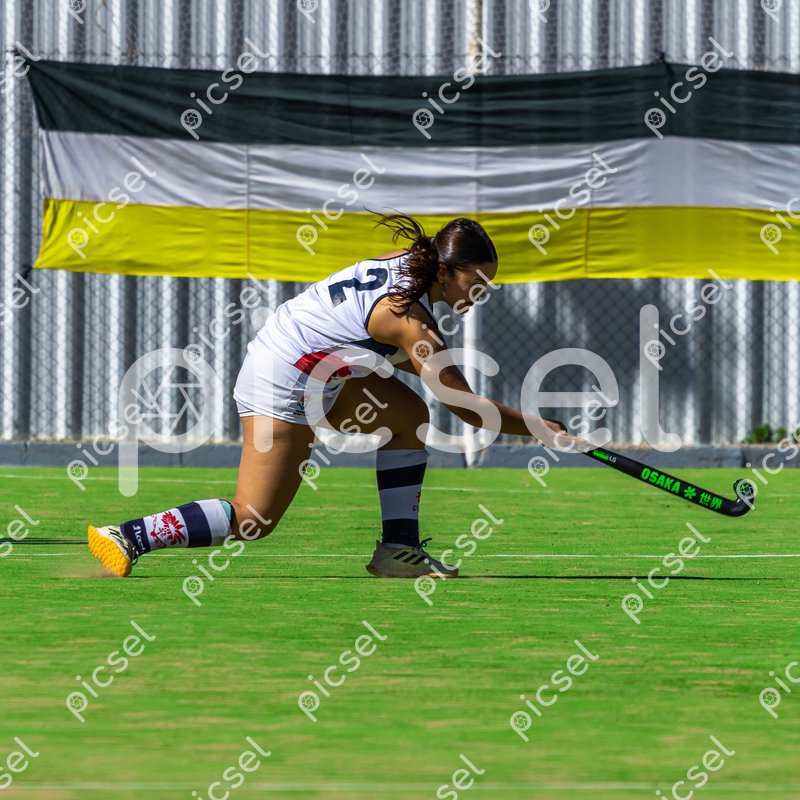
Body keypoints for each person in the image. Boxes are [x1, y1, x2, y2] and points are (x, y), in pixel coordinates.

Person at [87, 214, 566, 578]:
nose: (481, 293)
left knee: (408, 415)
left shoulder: (406, 268)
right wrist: (540, 429)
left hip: (316, 369)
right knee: (254, 518)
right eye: (476, 282)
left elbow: (379, 347)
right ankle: (128, 536)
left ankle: (397, 550)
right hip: (283, 378)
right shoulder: (409, 318)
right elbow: (465, 407)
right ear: (445, 271)